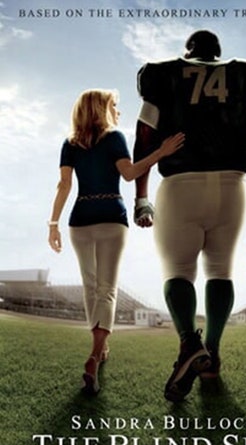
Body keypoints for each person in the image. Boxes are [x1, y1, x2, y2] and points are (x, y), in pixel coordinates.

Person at [131, 29, 246, 402]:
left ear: (187, 52)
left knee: (178, 271)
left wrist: (141, 197)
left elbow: (144, 138)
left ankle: (190, 344)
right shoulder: (244, 75)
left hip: (180, 185)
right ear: (219, 54)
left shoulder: (162, 75)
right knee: (220, 270)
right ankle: (213, 353)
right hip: (231, 187)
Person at [48, 88, 184, 395]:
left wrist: (53, 223)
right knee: (107, 289)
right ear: (101, 109)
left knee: (91, 287)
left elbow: (64, 185)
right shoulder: (115, 138)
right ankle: (95, 356)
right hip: (111, 218)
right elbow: (131, 174)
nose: (118, 111)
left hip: (80, 221)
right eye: (114, 105)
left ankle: (100, 347)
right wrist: (161, 152)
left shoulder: (69, 144)